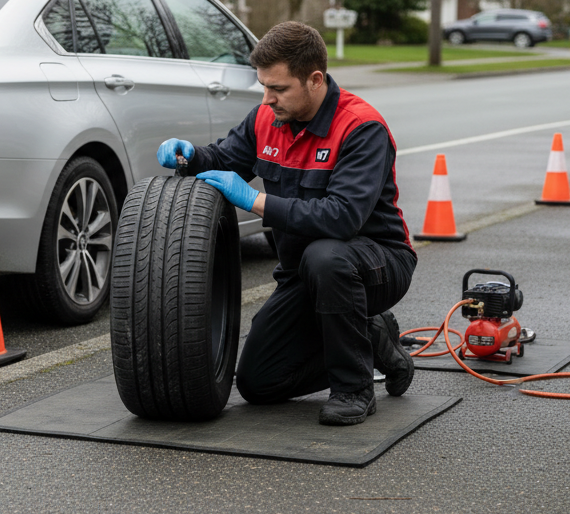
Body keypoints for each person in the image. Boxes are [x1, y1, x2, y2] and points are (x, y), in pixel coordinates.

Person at [156, 21, 416, 425]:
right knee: (260, 383)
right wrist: (190, 156)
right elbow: (225, 160)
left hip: (378, 264)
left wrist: (255, 200)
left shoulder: (361, 128)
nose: (267, 98)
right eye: (263, 86)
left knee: (326, 255)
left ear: (314, 80)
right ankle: (372, 336)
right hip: (301, 274)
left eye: (277, 88)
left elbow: (342, 217)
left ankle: (354, 390)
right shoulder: (266, 118)